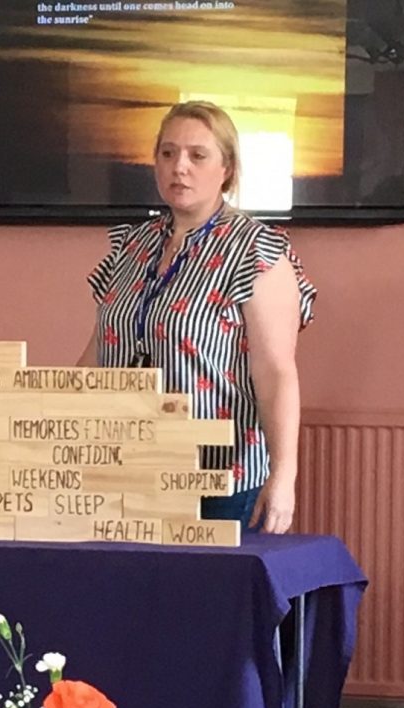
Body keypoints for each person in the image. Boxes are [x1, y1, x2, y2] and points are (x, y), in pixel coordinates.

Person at [76, 101, 317, 535]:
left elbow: (275, 372)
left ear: (227, 168)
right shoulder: (131, 246)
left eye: (197, 155)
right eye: (167, 154)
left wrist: (284, 478)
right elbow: (100, 353)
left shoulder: (256, 251)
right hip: (124, 471)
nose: (179, 167)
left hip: (219, 479)